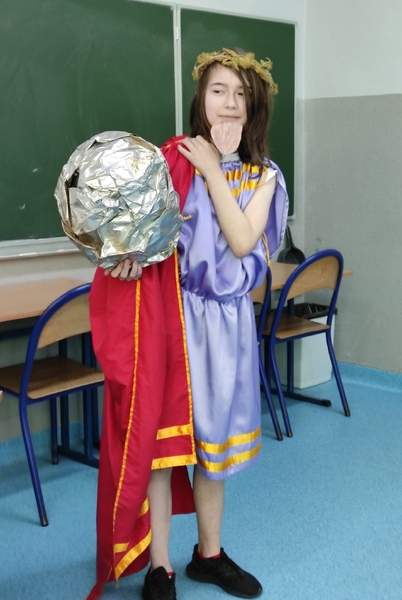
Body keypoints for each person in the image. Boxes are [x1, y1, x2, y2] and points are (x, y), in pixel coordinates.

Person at [87, 47, 288, 600]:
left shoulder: (264, 176)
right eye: (218, 90)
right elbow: (141, 241)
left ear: (254, 107)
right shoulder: (171, 161)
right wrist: (129, 260)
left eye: (241, 94)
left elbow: (242, 241)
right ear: (201, 99)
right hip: (172, 322)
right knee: (164, 443)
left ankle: (208, 555)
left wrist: (213, 169)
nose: (229, 103)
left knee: (214, 451)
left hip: (227, 330)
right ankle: (160, 566)